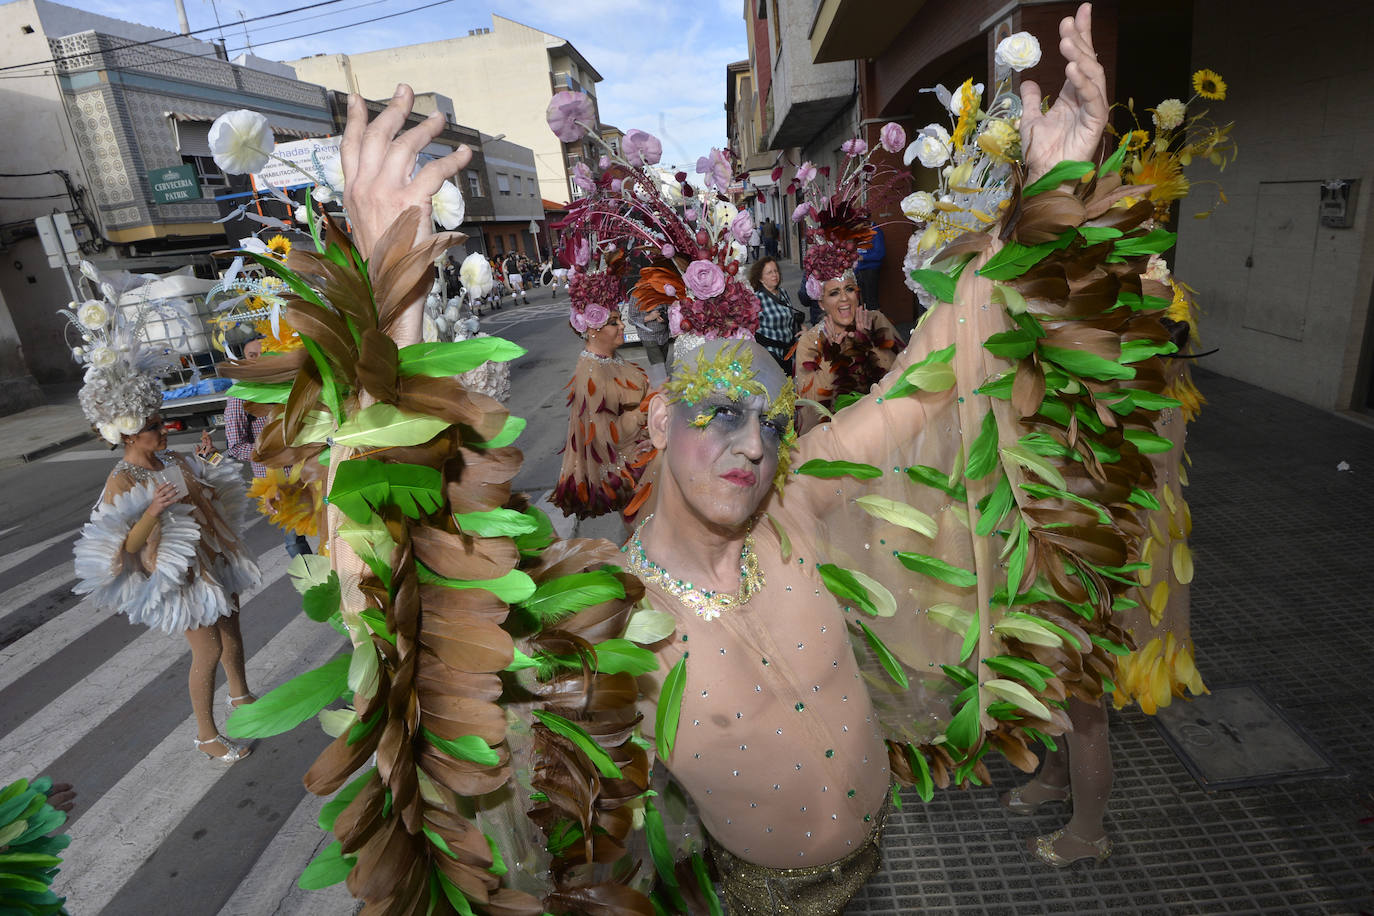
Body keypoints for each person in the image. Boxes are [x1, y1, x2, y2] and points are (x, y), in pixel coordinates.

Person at [251, 6, 1153, 908]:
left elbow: (933, 368)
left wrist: (1056, 186)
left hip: (879, 881)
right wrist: (392, 299)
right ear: (657, 421)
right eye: (718, 412)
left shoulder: (798, 504)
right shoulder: (614, 617)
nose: (751, 441)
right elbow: (408, 609)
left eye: (767, 417)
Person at [69, 273, 261, 763]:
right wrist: (152, 512)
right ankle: (206, 735)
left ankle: (243, 700)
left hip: (211, 560)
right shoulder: (123, 480)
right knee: (208, 651)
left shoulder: (170, 459)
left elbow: (203, 496)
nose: (163, 429)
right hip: (179, 577)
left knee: (233, 633)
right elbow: (126, 548)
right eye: (154, 426)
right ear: (129, 432)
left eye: (161, 422)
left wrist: (207, 461)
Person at [550, 264, 652, 521]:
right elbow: (606, 438)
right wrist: (648, 409)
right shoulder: (592, 372)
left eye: (620, 319)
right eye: (613, 322)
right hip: (633, 475)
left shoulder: (611, 359)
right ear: (593, 328)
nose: (621, 326)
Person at [223, 336, 313, 557]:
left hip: (311, 467)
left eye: (265, 352)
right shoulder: (240, 396)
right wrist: (272, 453)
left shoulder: (294, 385)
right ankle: (316, 584)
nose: (260, 359)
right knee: (293, 538)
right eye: (253, 355)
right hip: (277, 479)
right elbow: (235, 445)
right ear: (246, 361)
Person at [793, 272, 902, 433]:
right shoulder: (809, 342)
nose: (844, 298)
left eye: (849, 289)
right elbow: (813, 410)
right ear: (822, 303)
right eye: (834, 293)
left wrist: (868, 343)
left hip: (886, 425)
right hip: (840, 437)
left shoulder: (876, 320)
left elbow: (899, 376)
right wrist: (832, 356)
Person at [749, 255, 800, 371]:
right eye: (769, 272)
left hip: (789, 353)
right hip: (771, 355)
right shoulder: (756, 299)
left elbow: (789, 316)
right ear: (761, 279)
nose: (774, 275)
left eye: (776, 271)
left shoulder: (783, 293)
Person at [853, 222, 885, 311]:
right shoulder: (858, 230)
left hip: (870, 269)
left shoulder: (876, 230)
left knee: (871, 301)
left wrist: (863, 257)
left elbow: (880, 254)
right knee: (860, 301)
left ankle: (876, 323)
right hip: (859, 269)